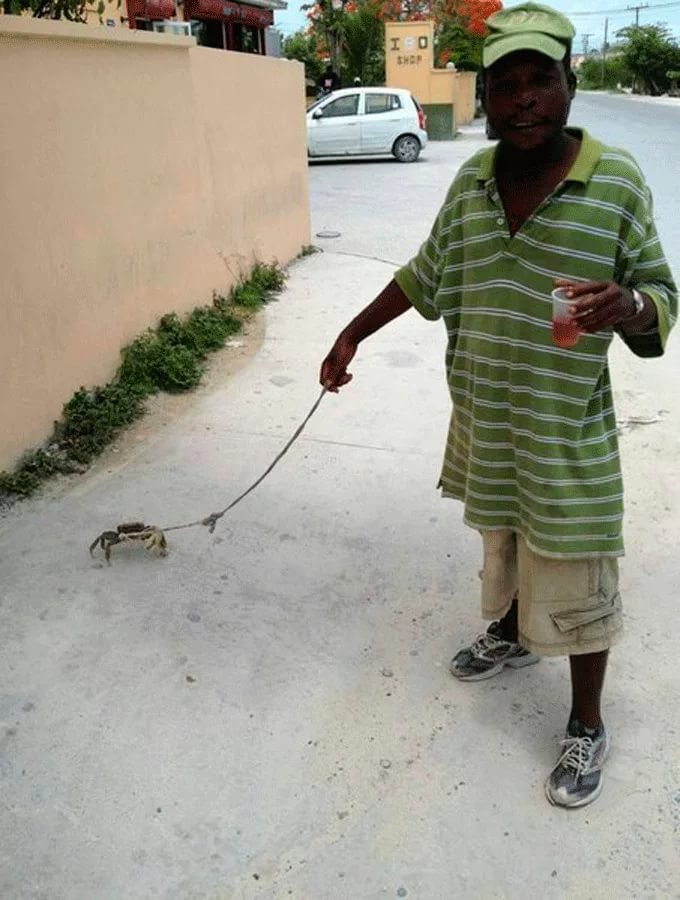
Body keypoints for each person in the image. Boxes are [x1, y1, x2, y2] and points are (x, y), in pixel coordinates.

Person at [319, 1, 677, 809]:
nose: (523, 100)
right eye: (505, 85)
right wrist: (351, 335)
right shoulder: (472, 180)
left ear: (569, 84)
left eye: (539, 80)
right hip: (489, 420)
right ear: (484, 97)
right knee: (507, 539)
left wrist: (631, 306)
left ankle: (587, 722)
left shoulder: (616, 181)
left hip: (565, 431)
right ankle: (514, 634)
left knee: (578, 565)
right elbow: (424, 273)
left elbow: (661, 292)